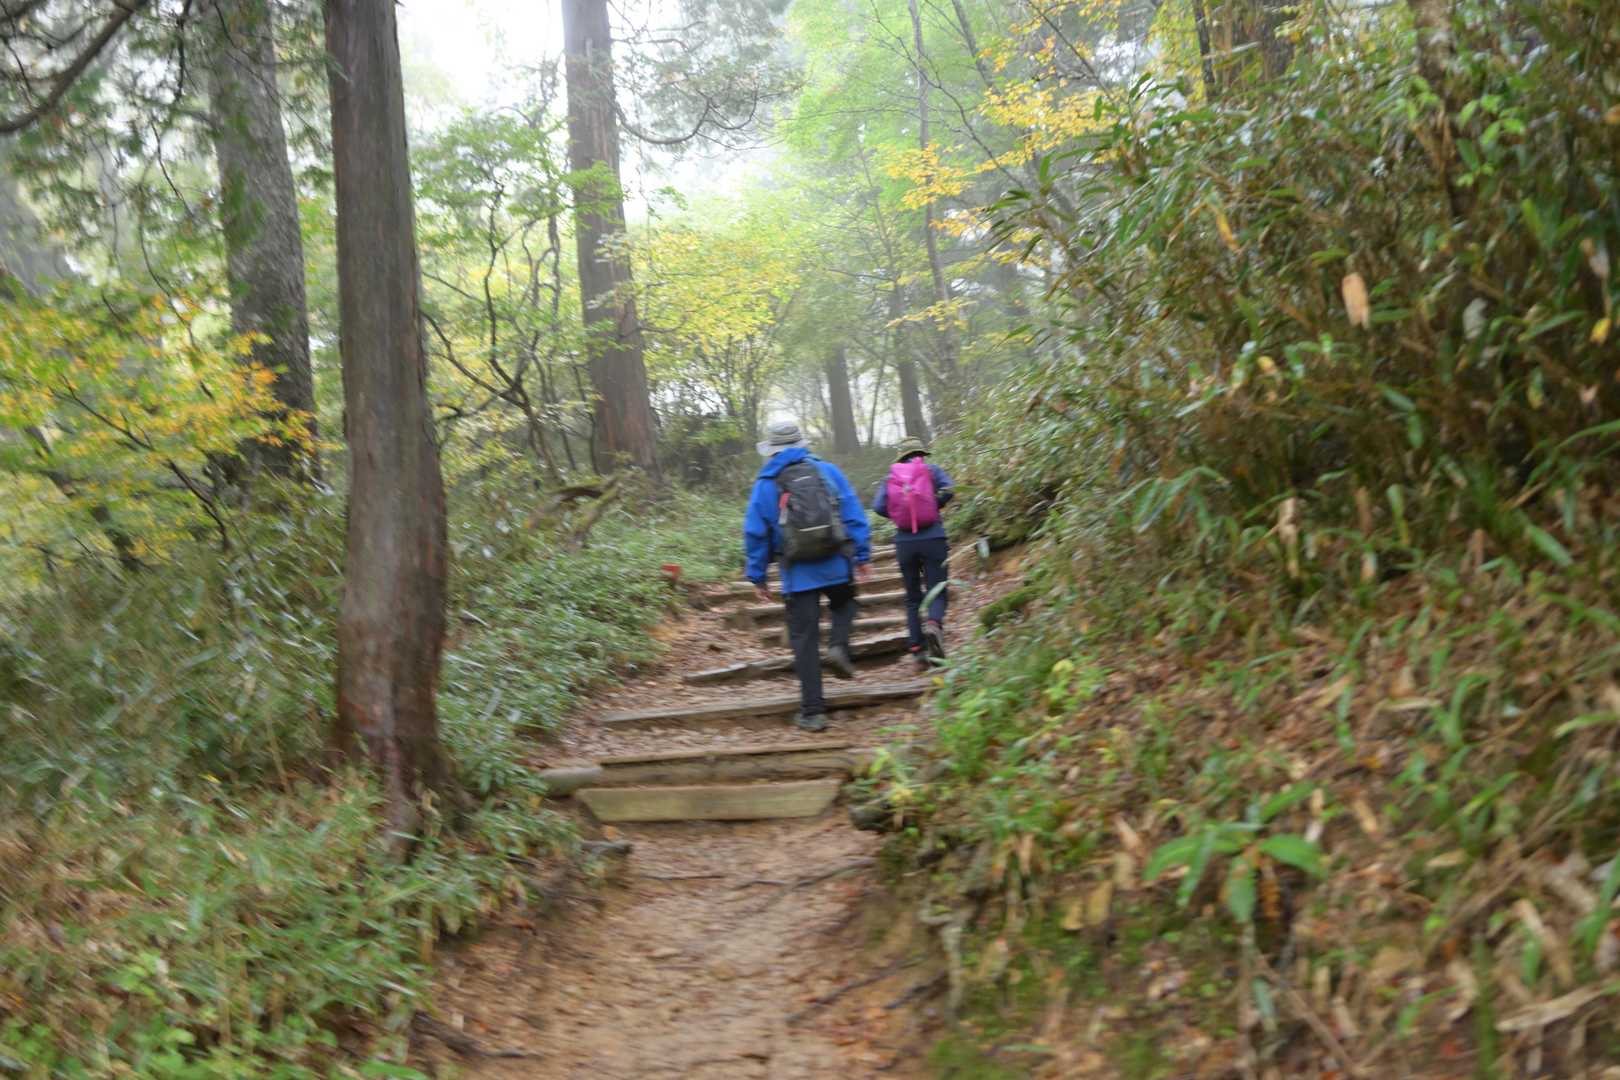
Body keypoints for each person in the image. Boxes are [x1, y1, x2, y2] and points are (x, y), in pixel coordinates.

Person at [744, 420, 874, 732]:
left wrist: (758, 576)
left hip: (797, 572)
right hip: (836, 562)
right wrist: (862, 554)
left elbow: (756, 532)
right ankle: (839, 645)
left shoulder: (766, 483)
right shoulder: (828, 471)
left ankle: (813, 712)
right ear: (802, 443)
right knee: (845, 603)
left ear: (772, 450)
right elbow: (853, 513)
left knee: (804, 640)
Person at [872, 437, 955, 668]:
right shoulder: (932, 470)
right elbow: (950, 489)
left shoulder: (891, 477)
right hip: (933, 538)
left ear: (901, 457)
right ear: (921, 454)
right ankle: (934, 624)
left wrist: (899, 514)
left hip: (904, 542)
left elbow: (878, 506)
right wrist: (933, 505)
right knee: (937, 589)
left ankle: (917, 651)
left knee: (912, 597)